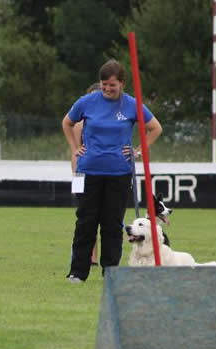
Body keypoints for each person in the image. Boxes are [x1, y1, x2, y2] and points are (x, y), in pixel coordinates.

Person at [62, 59, 162, 283]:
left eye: (112, 85)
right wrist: (75, 148)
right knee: (86, 222)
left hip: (119, 173)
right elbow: (66, 123)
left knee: (112, 224)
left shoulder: (131, 105)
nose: (107, 89)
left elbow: (155, 128)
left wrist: (137, 151)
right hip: (89, 172)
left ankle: (111, 273)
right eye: (104, 84)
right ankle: (78, 272)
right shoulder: (87, 102)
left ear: (122, 83)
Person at [71, 82, 102, 267]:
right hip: (84, 173)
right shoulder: (80, 124)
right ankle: (87, 256)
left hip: (104, 172)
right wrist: (76, 177)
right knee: (86, 217)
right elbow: (75, 151)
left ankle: (95, 257)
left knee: (101, 217)